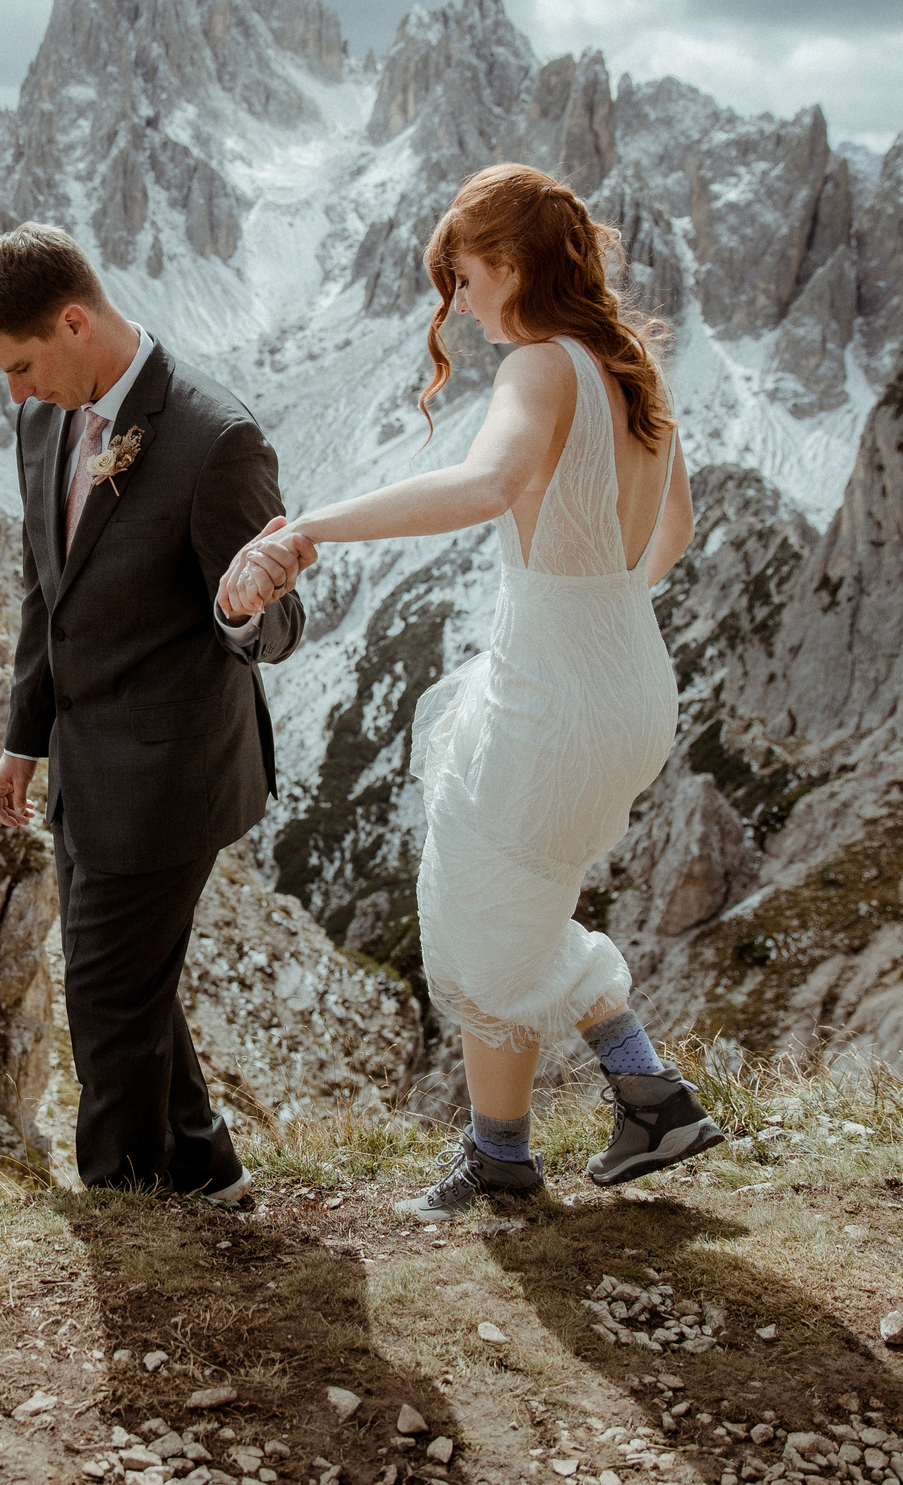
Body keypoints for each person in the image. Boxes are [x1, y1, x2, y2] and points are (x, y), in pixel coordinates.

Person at [219, 163, 724, 1217]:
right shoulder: (634, 373)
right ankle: (636, 1104)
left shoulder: (542, 369)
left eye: (460, 277)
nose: (456, 305)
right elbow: (670, 536)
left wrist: (310, 527)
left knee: (479, 904)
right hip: (631, 682)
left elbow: (486, 485)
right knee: (507, 897)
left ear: (508, 265)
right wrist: (594, 605)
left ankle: (514, 1152)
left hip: (559, 692)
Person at [0, 224, 309, 1205]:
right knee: (129, 986)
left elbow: (278, 624)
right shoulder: (40, 422)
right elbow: (46, 594)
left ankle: (121, 1214)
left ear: (75, 322)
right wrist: (25, 741)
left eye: (23, 365)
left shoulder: (214, 440)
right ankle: (205, 1173)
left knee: (106, 1001)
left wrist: (241, 609)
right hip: (79, 766)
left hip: (168, 777)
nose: (15, 393)